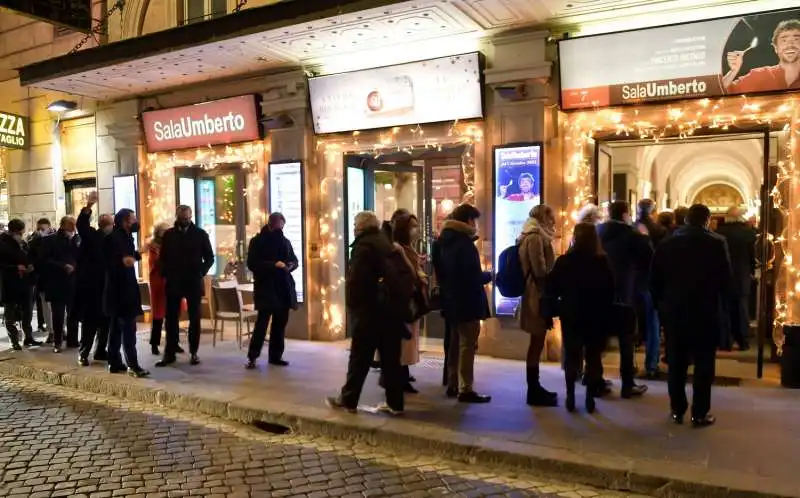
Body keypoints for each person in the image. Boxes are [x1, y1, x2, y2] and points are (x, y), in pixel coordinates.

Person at [651, 204, 733, 428]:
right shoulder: (716, 243)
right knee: (704, 362)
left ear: (686, 220)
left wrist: (661, 304)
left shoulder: (667, 243)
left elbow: (654, 278)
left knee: (676, 361)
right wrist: (725, 309)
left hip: (674, 311)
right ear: (706, 221)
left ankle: (677, 409)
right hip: (705, 310)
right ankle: (700, 413)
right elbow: (725, 280)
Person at [327, 211, 414, 415]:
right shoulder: (385, 242)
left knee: (360, 358)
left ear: (362, 226)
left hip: (370, 312)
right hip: (391, 312)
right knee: (391, 360)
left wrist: (355, 310)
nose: (354, 227)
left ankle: (349, 400)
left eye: (356, 224)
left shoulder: (363, 246)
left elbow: (357, 282)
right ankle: (395, 404)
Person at [546, 222, 614, 413]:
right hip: (596, 315)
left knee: (572, 356)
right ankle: (590, 398)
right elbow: (611, 290)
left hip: (572, 313)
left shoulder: (565, 261)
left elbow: (552, 287)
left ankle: (570, 396)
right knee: (592, 357)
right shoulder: (601, 261)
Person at [439, 203, 493, 403]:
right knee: (467, 345)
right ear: (468, 220)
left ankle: (453, 383)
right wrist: (488, 275)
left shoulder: (446, 241)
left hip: (452, 300)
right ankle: (466, 388)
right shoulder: (464, 244)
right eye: (474, 220)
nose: (476, 224)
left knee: (454, 344)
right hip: (467, 301)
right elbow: (471, 276)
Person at [596, 201, 649, 398]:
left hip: (599, 292)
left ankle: (596, 380)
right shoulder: (633, 235)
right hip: (626, 292)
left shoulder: (597, 231)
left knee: (598, 338)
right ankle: (628, 382)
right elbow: (646, 262)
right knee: (626, 339)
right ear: (626, 214)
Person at [156, 205, 214, 367]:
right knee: (171, 318)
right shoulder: (169, 235)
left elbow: (209, 257)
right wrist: (164, 273)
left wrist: (201, 271)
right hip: (174, 280)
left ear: (191, 217)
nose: (185, 221)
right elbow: (163, 257)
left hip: (193, 280)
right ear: (177, 217)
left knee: (194, 318)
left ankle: (194, 352)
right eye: (182, 219)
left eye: (187, 219)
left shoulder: (200, 234)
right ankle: (170, 352)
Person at [246, 212, 299, 369]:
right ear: (271, 224)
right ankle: (253, 356)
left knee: (280, 323)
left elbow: (294, 260)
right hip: (266, 287)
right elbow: (252, 264)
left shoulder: (285, 241)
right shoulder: (257, 242)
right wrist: (273, 265)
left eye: (282, 226)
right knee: (262, 324)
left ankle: (276, 356)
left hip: (283, 287)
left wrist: (289, 266)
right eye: (278, 225)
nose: (280, 229)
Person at [518, 205, 558, 407]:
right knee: (537, 341)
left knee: (538, 340)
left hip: (535, 292)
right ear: (543, 217)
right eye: (551, 218)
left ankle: (535, 387)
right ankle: (533, 390)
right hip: (536, 294)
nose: (554, 222)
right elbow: (540, 269)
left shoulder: (534, 233)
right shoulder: (534, 236)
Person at [103, 209, 149, 378]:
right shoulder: (114, 238)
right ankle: (133, 365)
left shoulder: (125, 236)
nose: (136, 220)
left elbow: (127, 259)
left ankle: (114, 362)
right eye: (133, 218)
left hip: (123, 289)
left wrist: (136, 255)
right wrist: (133, 257)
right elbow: (116, 262)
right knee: (128, 329)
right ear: (125, 221)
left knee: (115, 329)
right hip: (121, 291)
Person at [390, 212, 427, 394]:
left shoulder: (407, 247)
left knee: (408, 340)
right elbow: (406, 273)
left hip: (411, 300)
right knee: (403, 341)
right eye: (412, 226)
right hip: (403, 302)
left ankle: (403, 375)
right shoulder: (398, 249)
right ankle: (400, 378)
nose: (416, 229)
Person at [75, 192, 114, 365]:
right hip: (92, 287)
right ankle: (83, 353)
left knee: (105, 322)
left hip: (107, 287)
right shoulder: (92, 236)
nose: (111, 226)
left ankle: (100, 351)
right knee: (90, 323)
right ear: (104, 225)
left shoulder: (113, 240)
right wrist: (89, 206)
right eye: (109, 224)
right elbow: (82, 225)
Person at [715, 207, 755, 351]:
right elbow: (753, 257)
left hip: (723, 277)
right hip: (742, 277)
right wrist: (751, 271)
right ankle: (743, 341)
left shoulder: (719, 234)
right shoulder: (748, 234)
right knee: (742, 310)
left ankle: (725, 341)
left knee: (725, 309)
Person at [724, 19, 800, 94]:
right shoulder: (759, 75)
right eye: (784, 40)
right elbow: (719, 91)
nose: (790, 45)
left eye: (796, 39)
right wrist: (733, 71)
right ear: (775, 48)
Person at [633, 199, 665, 378]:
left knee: (632, 323)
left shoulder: (632, 227)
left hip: (633, 279)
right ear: (653, 211)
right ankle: (651, 364)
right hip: (651, 280)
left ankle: (630, 364)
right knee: (653, 322)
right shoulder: (658, 230)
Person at [40, 216, 80, 353]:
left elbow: (81, 257)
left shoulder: (77, 239)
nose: (73, 228)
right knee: (58, 315)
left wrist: (75, 266)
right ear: (63, 225)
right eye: (71, 225)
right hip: (57, 283)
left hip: (73, 282)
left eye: (75, 225)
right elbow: (44, 260)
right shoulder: (49, 240)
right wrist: (63, 266)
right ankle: (57, 341)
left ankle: (73, 340)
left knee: (73, 313)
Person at [148, 222, 186, 356]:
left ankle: (174, 343)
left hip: (172, 281)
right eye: (163, 231)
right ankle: (154, 344)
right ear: (158, 232)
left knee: (173, 315)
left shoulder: (172, 243)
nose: (166, 233)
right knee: (158, 316)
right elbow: (155, 263)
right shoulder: (154, 247)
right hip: (159, 282)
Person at [0, 219, 39, 350]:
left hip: (25, 282)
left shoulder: (22, 243)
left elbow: (28, 257)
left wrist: (30, 265)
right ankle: (14, 340)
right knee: (10, 312)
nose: (21, 234)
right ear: (14, 231)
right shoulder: (3, 243)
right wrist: (16, 267)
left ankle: (28, 337)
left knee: (27, 311)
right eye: (20, 232)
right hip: (9, 282)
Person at [27, 218, 52, 335]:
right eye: (39, 229)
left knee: (55, 307)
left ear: (49, 227)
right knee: (44, 305)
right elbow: (31, 256)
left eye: (43, 229)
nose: (40, 231)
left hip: (53, 277)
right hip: (40, 277)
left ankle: (59, 329)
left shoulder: (55, 239)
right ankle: (48, 328)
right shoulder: (34, 241)